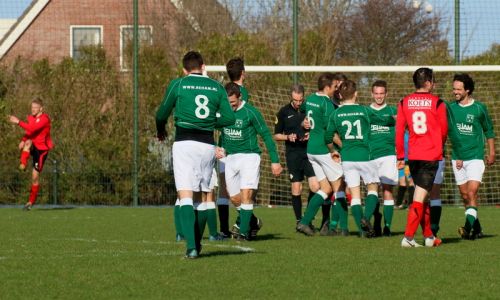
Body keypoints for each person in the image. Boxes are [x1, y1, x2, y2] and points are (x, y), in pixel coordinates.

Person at [156, 51, 236, 259]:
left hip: (184, 143)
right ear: (203, 66)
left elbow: (161, 113)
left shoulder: (179, 84)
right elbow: (228, 118)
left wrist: (160, 129)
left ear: (184, 69)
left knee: (185, 196)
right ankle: (197, 243)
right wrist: (210, 122)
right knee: (201, 197)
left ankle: (191, 247)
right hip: (207, 145)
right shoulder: (217, 87)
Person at [216, 82, 282, 240]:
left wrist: (275, 160)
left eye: (232, 103)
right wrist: (220, 148)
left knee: (246, 194)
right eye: (227, 103)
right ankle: (254, 222)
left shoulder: (251, 112)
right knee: (234, 198)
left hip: (250, 157)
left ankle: (244, 234)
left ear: (239, 97)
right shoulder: (222, 111)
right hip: (230, 158)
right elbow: (222, 134)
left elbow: (266, 135)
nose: (230, 106)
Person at [396, 67, 447, 248]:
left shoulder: (404, 102)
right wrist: (437, 146)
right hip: (430, 155)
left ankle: (428, 237)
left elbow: (399, 130)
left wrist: (401, 155)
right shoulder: (437, 103)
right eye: (433, 80)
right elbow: (444, 131)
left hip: (413, 156)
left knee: (422, 195)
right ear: (427, 83)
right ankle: (408, 238)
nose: (434, 83)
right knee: (419, 197)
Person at [326, 80, 380, 237]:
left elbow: (328, 136)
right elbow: (380, 121)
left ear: (341, 95)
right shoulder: (364, 110)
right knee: (373, 188)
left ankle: (363, 232)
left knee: (355, 196)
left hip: (347, 158)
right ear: (356, 94)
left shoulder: (335, 114)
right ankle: (366, 219)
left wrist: (333, 150)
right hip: (365, 155)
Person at [447, 73, 495, 240]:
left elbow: (489, 130)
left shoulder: (479, 108)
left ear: (467, 90)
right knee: (466, 196)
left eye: (458, 89)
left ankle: (466, 228)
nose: (455, 92)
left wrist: (492, 152)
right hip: (457, 158)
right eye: (454, 89)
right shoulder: (450, 108)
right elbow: (449, 133)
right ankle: (478, 229)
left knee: (472, 192)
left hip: (475, 156)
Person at [296, 72, 345, 236]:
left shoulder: (310, 98)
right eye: (334, 86)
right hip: (324, 150)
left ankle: (303, 222)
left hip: (311, 150)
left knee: (325, 188)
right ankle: (334, 227)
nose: (335, 89)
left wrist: (305, 122)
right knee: (339, 186)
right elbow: (329, 133)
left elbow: (302, 109)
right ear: (328, 87)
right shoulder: (327, 104)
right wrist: (341, 147)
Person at [274, 84, 320, 228]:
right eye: (295, 100)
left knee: (315, 186)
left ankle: (308, 217)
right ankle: (299, 221)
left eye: (300, 100)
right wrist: (288, 137)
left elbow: (318, 129)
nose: (298, 103)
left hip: (308, 152)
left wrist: (310, 134)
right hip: (293, 154)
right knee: (297, 188)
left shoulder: (309, 109)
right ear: (291, 97)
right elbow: (276, 135)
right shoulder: (283, 112)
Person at [216, 57, 251, 237]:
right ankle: (245, 223)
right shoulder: (242, 93)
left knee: (224, 189)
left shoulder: (222, 91)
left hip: (223, 145)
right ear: (243, 73)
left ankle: (225, 229)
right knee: (243, 191)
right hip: (240, 148)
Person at [9, 97, 54, 211]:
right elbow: (29, 132)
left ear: (41, 109)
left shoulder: (44, 119)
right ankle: (23, 163)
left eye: (35, 107)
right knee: (28, 142)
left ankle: (30, 202)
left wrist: (18, 122)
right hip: (34, 145)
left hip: (42, 150)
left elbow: (32, 128)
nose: (33, 109)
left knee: (34, 177)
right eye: (32, 107)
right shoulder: (31, 118)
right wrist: (23, 140)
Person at [367, 80, 398, 236]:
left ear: (386, 94)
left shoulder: (393, 111)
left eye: (381, 93)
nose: (379, 96)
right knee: (372, 191)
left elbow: (401, 132)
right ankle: (375, 221)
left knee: (387, 191)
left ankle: (387, 227)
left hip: (388, 155)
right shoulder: (365, 111)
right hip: (370, 156)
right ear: (372, 94)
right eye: (376, 93)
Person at [395, 130, 415, 209]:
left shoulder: (411, 133)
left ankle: (411, 204)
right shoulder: (399, 133)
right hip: (400, 161)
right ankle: (398, 203)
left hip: (407, 162)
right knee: (402, 182)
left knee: (410, 181)